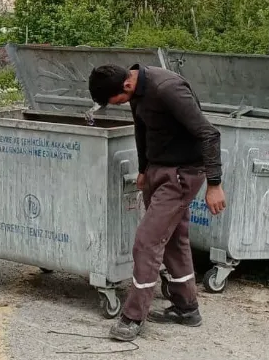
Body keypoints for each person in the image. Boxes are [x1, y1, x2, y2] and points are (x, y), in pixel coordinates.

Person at [88, 63, 226, 342]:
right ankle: (187, 308)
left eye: (114, 101)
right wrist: (143, 169)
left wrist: (214, 184)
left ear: (125, 86)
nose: (116, 105)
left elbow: (209, 134)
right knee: (173, 238)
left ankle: (133, 316)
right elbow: (142, 127)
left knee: (147, 241)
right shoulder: (137, 88)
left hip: (182, 174)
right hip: (158, 170)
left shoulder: (168, 89)